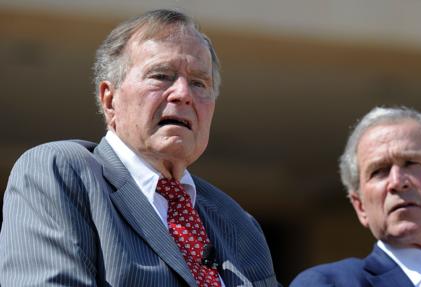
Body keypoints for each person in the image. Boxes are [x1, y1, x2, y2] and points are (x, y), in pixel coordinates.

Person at [0, 9, 279, 287]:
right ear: (110, 100)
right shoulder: (61, 173)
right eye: (161, 76)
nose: (183, 94)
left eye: (198, 83)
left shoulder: (237, 222)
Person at [290, 107, 421, 287]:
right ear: (360, 206)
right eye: (378, 171)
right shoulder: (329, 284)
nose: (396, 181)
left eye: (411, 163)